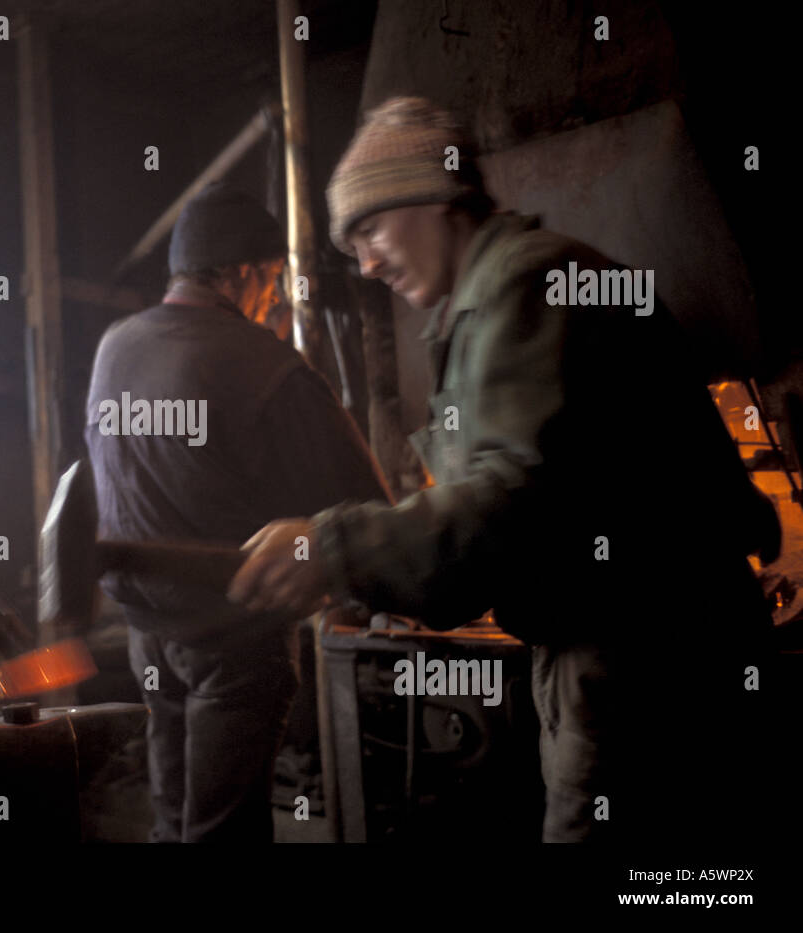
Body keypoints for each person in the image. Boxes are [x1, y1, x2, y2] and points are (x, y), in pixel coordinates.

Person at [228, 98, 781, 843]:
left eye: (371, 227)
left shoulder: (525, 285)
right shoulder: (495, 296)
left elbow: (513, 497)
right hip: (635, 653)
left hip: (645, 667)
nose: (366, 263)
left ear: (436, 199)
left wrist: (336, 546)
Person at [85, 182, 388, 842]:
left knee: (173, 818)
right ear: (242, 270)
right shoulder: (267, 364)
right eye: (271, 278)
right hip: (233, 640)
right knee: (224, 831)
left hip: (146, 632)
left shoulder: (114, 346)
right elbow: (366, 508)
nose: (273, 296)